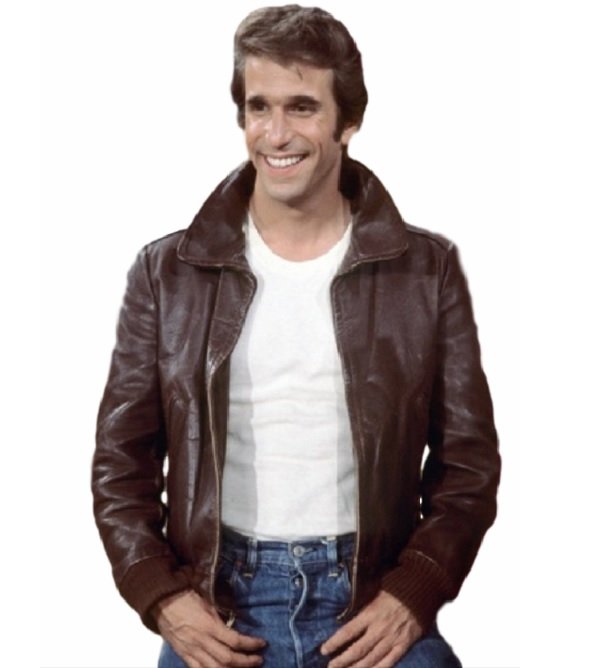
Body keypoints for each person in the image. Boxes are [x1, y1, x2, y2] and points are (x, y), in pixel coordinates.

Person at [92, 5, 501, 667]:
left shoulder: (426, 270)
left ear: (349, 121)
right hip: (220, 607)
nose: (276, 133)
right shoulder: (167, 272)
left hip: (371, 599)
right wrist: (160, 596)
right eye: (260, 107)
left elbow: (468, 466)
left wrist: (414, 591)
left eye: (303, 108)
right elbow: (121, 462)